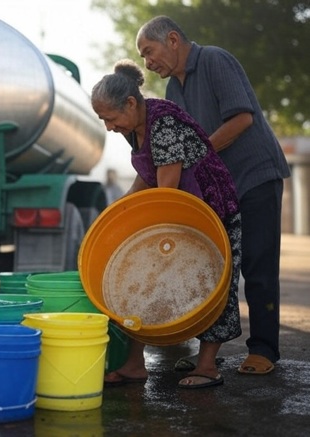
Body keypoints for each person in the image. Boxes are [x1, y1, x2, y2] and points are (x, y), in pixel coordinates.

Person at [136, 16, 290, 375]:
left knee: (257, 265)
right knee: (213, 270)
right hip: (220, 189)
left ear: (173, 40)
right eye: (142, 57)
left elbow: (241, 120)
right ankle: (208, 351)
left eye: (149, 51)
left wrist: (199, 154)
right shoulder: (173, 89)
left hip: (256, 177)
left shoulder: (215, 60)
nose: (147, 62)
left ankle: (264, 349)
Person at [91, 59, 242, 389]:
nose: (108, 126)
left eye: (110, 118)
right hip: (179, 212)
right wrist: (116, 213)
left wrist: (134, 225)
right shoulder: (135, 127)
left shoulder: (164, 124)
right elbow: (146, 179)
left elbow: (166, 193)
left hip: (211, 211)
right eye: (103, 119)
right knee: (146, 277)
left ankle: (207, 366)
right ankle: (134, 365)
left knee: (214, 283)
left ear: (131, 103)